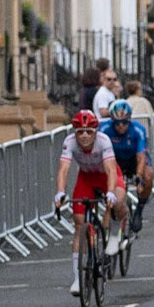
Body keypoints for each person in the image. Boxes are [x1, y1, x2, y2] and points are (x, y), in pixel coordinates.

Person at [53, 110, 125, 295]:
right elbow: (63, 170)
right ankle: (77, 280)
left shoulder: (104, 141)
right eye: (80, 131)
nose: (84, 136)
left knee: (118, 201)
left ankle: (115, 234)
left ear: (96, 132)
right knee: (79, 223)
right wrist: (60, 192)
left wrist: (110, 193)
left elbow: (110, 170)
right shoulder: (69, 142)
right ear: (74, 132)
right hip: (86, 178)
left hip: (105, 176)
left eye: (89, 132)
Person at [105, 99, 154, 231]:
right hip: (115, 160)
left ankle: (139, 209)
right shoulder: (104, 130)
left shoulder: (138, 130)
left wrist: (138, 177)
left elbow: (141, 157)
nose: (121, 126)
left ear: (129, 120)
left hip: (134, 159)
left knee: (148, 175)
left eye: (124, 122)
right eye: (117, 123)